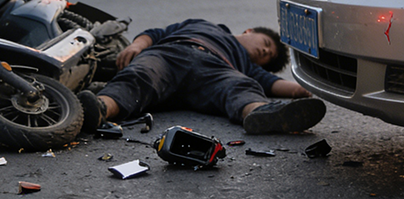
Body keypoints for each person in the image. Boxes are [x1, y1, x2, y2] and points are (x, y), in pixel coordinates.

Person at [77, 19, 327, 135]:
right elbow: (156, 32)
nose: (264, 51)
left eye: (267, 56)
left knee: (240, 86)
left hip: (215, 71)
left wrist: (301, 90)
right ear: (248, 30)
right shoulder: (204, 25)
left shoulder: (243, 65)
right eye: (265, 44)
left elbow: (273, 83)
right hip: (171, 54)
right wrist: (136, 46)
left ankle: (261, 114)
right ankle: (100, 109)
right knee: (141, 74)